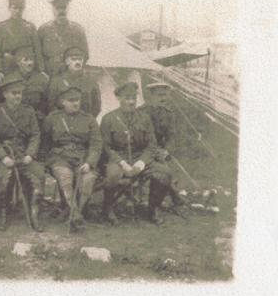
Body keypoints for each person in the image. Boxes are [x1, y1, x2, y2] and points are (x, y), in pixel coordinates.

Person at [100, 82, 172, 226]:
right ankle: (107, 208)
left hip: (140, 156)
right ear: (119, 98)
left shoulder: (144, 118)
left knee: (164, 173)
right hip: (118, 158)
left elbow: (152, 144)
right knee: (113, 176)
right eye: (127, 98)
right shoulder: (109, 118)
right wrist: (122, 163)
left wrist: (141, 163)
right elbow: (106, 146)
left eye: (134, 98)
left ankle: (153, 208)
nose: (131, 102)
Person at [0, 74, 44, 231]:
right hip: (4, 156)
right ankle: (2, 214)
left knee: (38, 177)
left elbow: (35, 135)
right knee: (3, 180)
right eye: (14, 93)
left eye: (19, 93)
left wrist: (30, 155)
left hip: (24, 155)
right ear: (5, 94)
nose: (17, 96)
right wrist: (2, 157)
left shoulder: (28, 111)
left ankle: (34, 214)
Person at [40, 86, 102, 232]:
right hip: (60, 158)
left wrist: (89, 162)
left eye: (78, 100)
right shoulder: (53, 118)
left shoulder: (89, 119)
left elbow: (96, 144)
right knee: (66, 178)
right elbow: (45, 142)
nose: (76, 103)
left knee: (87, 180)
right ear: (63, 102)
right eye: (71, 100)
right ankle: (76, 215)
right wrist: (45, 162)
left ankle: (75, 212)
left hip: (83, 158)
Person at [139, 81, 188, 209]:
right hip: (142, 151)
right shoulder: (141, 112)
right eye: (160, 95)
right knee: (164, 170)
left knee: (164, 168)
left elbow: (172, 136)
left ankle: (160, 201)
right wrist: (154, 151)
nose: (163, 98)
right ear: (150, 95)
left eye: (165, 95)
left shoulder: (168, 114)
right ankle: (173, 195)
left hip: (160, 151)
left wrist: (167, 150)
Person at [0, 0, 43, 82]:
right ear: (9, 8)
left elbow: (37, 50)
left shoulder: (30, 27)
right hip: (8, 68)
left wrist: (40, 69)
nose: (18, 11)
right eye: (15, 8)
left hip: (26, 69)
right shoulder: (1, 27)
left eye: (20, 8)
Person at [38, 0, 89, 77]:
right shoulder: (43, 30)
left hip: (71, 76)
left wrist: (75, 70)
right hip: (49, 75)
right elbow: (38, 55)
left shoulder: (78, 30)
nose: (61, 11)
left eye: (64, 8)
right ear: (53, 10)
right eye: (58, 8)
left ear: (67, 9)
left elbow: (85, 54)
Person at [46, 46, 101, 118]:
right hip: (63, 123)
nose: (78, 62)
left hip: (84, 123)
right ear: (66, 62)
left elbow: (97, 105)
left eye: (80, 59)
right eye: (74, 59)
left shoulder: (91, 82)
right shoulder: (57, 81)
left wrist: (88, 120)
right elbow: (51, 104)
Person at [10, 45, 50, 123]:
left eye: (31, 60)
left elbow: (46, 100)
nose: (30, 63)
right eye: (26, 60)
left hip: (37, 118)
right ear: (18, 62)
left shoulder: (42, 79)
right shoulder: (10, 79)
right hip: (16, 119)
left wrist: (41, 112)